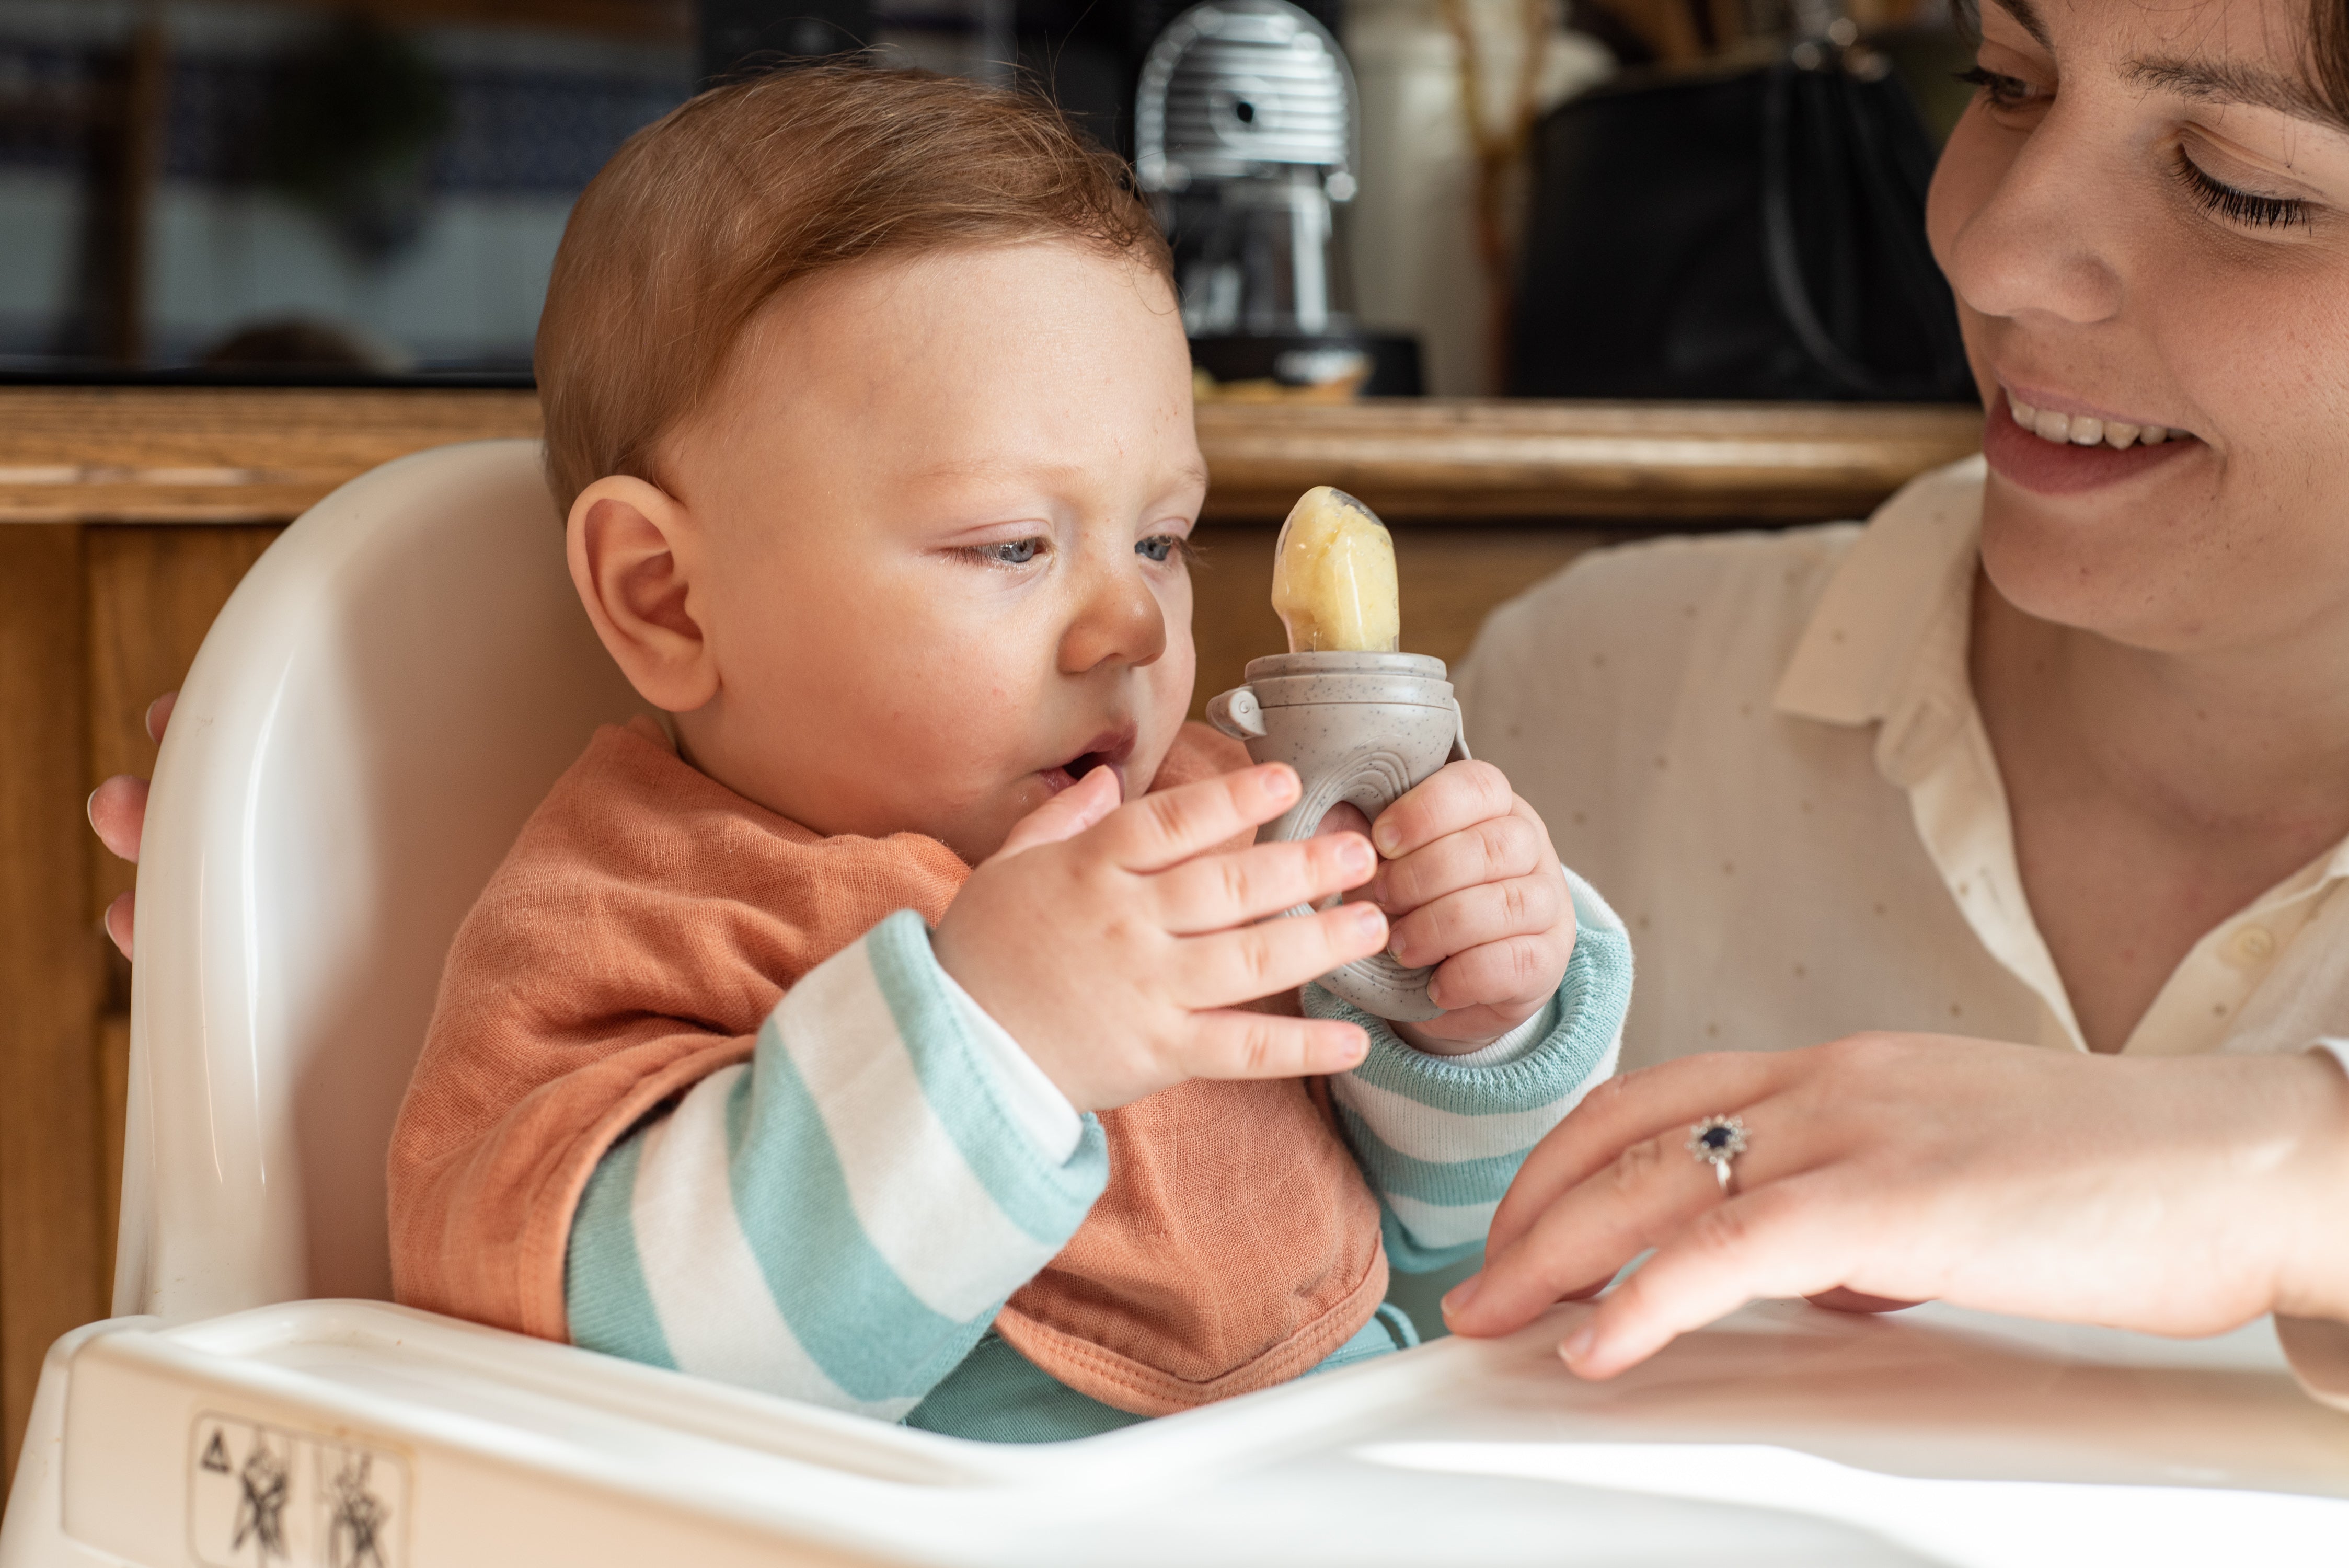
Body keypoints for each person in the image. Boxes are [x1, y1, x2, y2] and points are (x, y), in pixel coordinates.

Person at [317, 67, 1621, 1445]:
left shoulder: (1212, 821)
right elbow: (612, 1383)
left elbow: (1465, 1257)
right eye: (1010, 546)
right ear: (667, 598)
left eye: (1159, 541)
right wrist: (1001, 1041)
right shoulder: (631, 918)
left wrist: (1469, 1021)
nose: (1130, 623)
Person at [1428, 0, 2349, 1402]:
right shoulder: (1588, 699)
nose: (1991, 252)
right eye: (2010, 82)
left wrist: (2287, 1161)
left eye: (2241, 184)